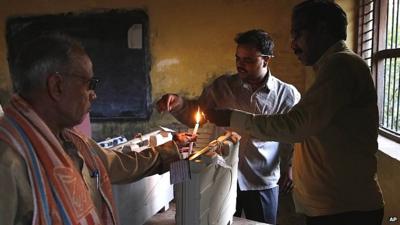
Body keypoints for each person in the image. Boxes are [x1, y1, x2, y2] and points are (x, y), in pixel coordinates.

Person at [205, 1, 385, 225]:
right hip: (333, 206)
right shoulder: (330, 68)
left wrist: (231, 117)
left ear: (322, 29)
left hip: (344, 210)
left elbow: (295, 126)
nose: (293, 45)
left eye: (297, 34)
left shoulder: (341, 65)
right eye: (238, 59)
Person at [0, 34, 193, 225]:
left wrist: (170, 149)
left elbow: (114, 164)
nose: (93, 95)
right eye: (89, 84)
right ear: (57, 86)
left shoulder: (70, 139)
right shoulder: (8, 157)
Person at [156, 29, 300, 224]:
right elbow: (196, 115)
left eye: (248, 60)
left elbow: (295, 135)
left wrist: (290, 167)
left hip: (261, 179)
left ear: (266, 60)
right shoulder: (222, 87)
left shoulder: (286, 95)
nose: (240, 65)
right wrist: (179, 103)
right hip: (222, 176)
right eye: (237, 59)